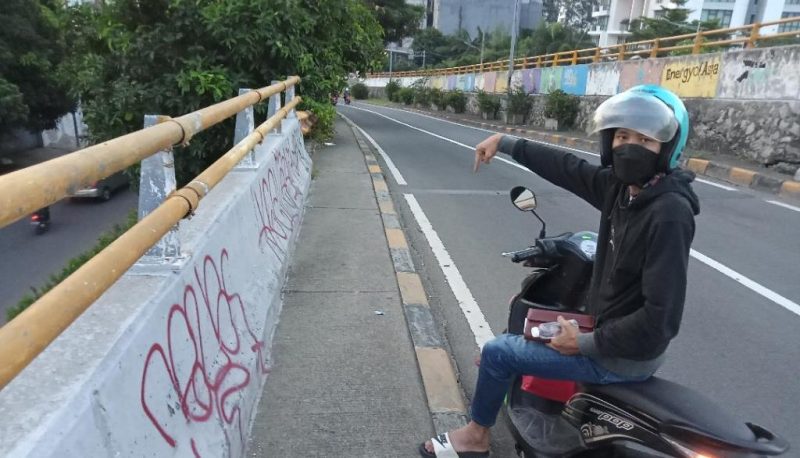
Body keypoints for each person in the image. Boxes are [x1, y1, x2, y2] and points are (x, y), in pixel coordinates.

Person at [419, 85, 700, 457]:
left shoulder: (668, 212)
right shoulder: (624, 189)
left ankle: (475, 437)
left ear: (666, 147)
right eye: (622, 136)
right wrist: (504, 141)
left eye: (644, 139)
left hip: (623, 355)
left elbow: (660, 320)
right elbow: (567, 168)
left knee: (499, 352)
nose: (629, 146)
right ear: (608, 141)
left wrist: (583, 343)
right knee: (533, 321)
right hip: (609, 329)